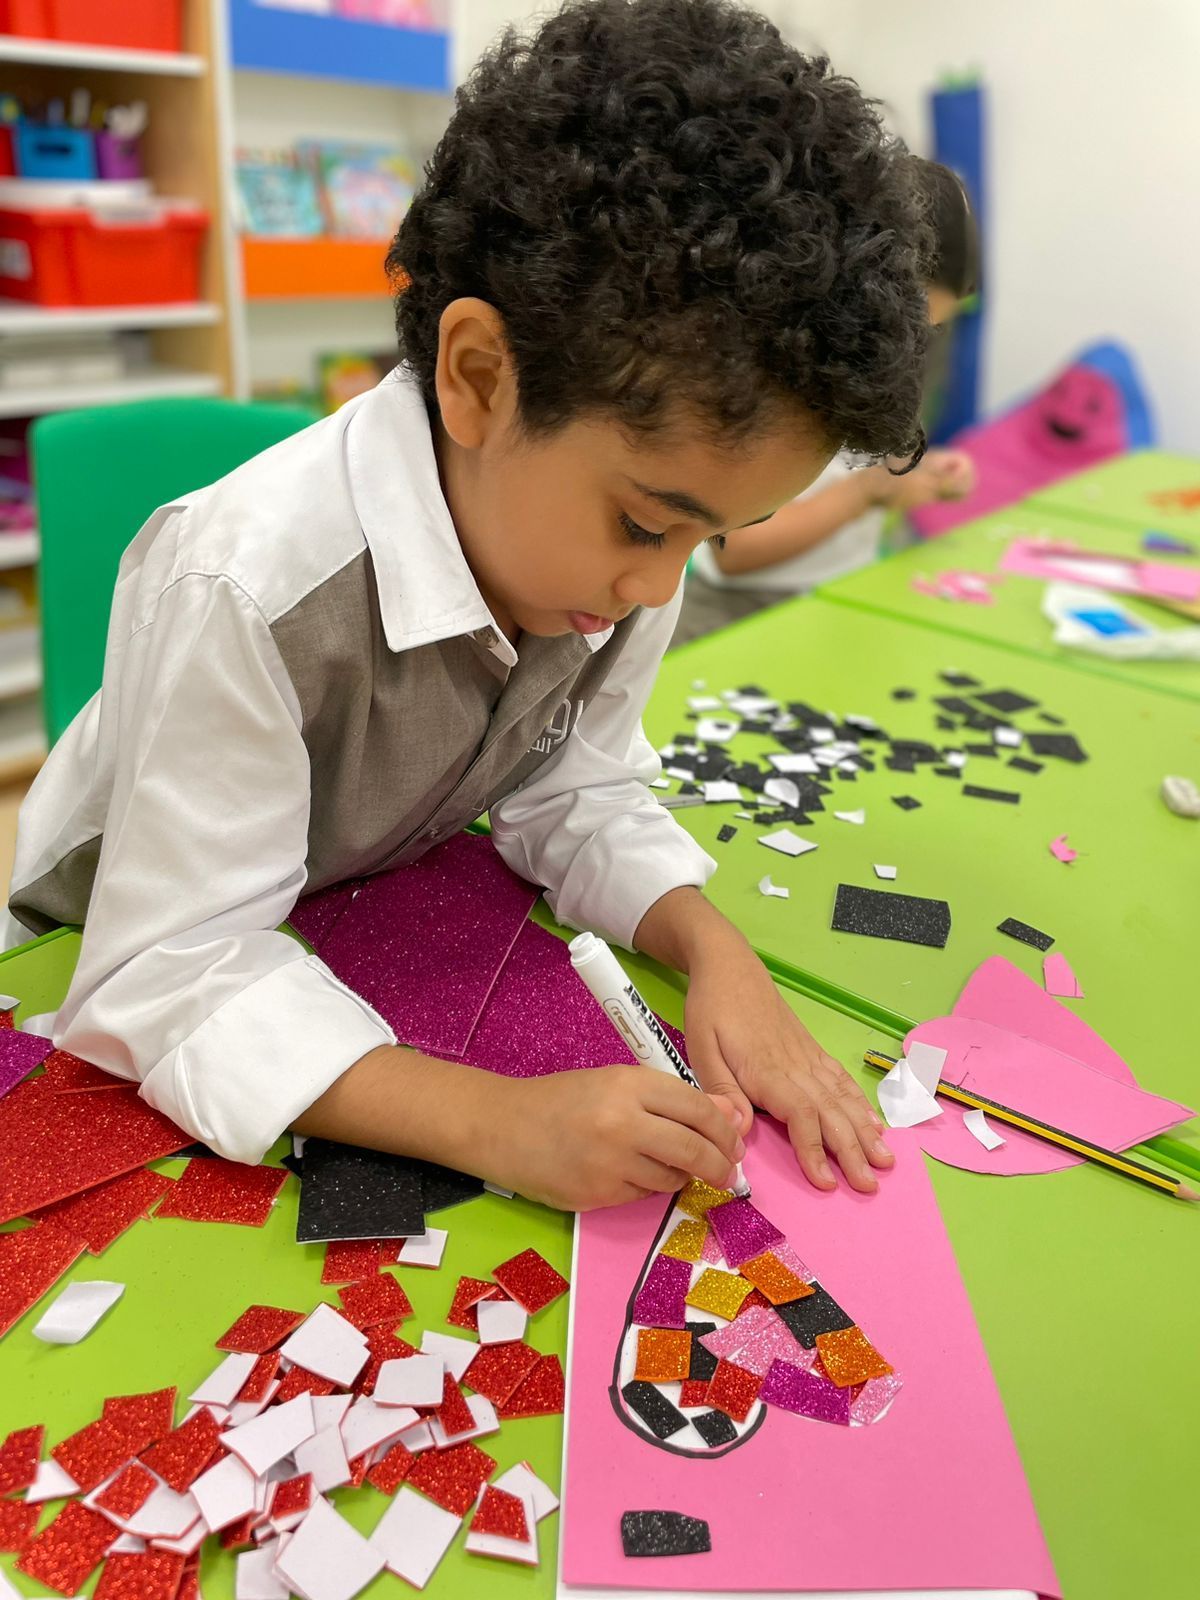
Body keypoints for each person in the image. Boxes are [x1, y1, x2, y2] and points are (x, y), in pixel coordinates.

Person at [4, 0, 932, 1212]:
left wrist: (716, 951)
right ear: (481, 376)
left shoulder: (607, 552)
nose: (662, 586)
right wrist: (493, 1119)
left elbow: (578, 787)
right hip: (89, 960)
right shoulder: (244, 585)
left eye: (716, 533)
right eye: (651, 525)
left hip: (356, 901)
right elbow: (170, 968)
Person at [675, 160, 979, 645]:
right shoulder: (773, 375)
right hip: (738, 618)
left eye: (931, 331)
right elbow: (736, 550)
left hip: (832, 599)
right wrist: (868, 493)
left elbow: (858, 473)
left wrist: (915, 473)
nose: (912, 347)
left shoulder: (880, 362)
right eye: (911, 324)